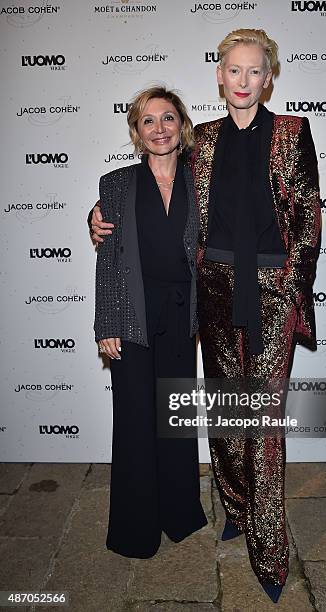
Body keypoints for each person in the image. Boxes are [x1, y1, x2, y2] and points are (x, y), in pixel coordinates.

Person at [90, 29, 321, 603]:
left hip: (270, 291)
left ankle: (269, 553)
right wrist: (94, 218)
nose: (244, 81)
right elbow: (142, 196)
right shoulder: (205, 143)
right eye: (233, 71)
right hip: (211, 292)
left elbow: (309, 222)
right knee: (223, 412)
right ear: (220, 77)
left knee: (262, 419)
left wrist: (289, 294)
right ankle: (239, 507)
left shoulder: (292, 132)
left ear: (269, 77)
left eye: (255, 72)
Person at [93, 86, 207, 559]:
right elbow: (109, 257)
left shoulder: (204, 180)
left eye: (167, 119)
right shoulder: (115, 185)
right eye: (148, 122)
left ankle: (180, 513)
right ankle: (135, 529)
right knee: (137, 420)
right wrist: (107, 324)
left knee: (175, 416)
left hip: (183, 313)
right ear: (137, 133)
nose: (159, 129)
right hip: (132, 312)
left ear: (182, 125)